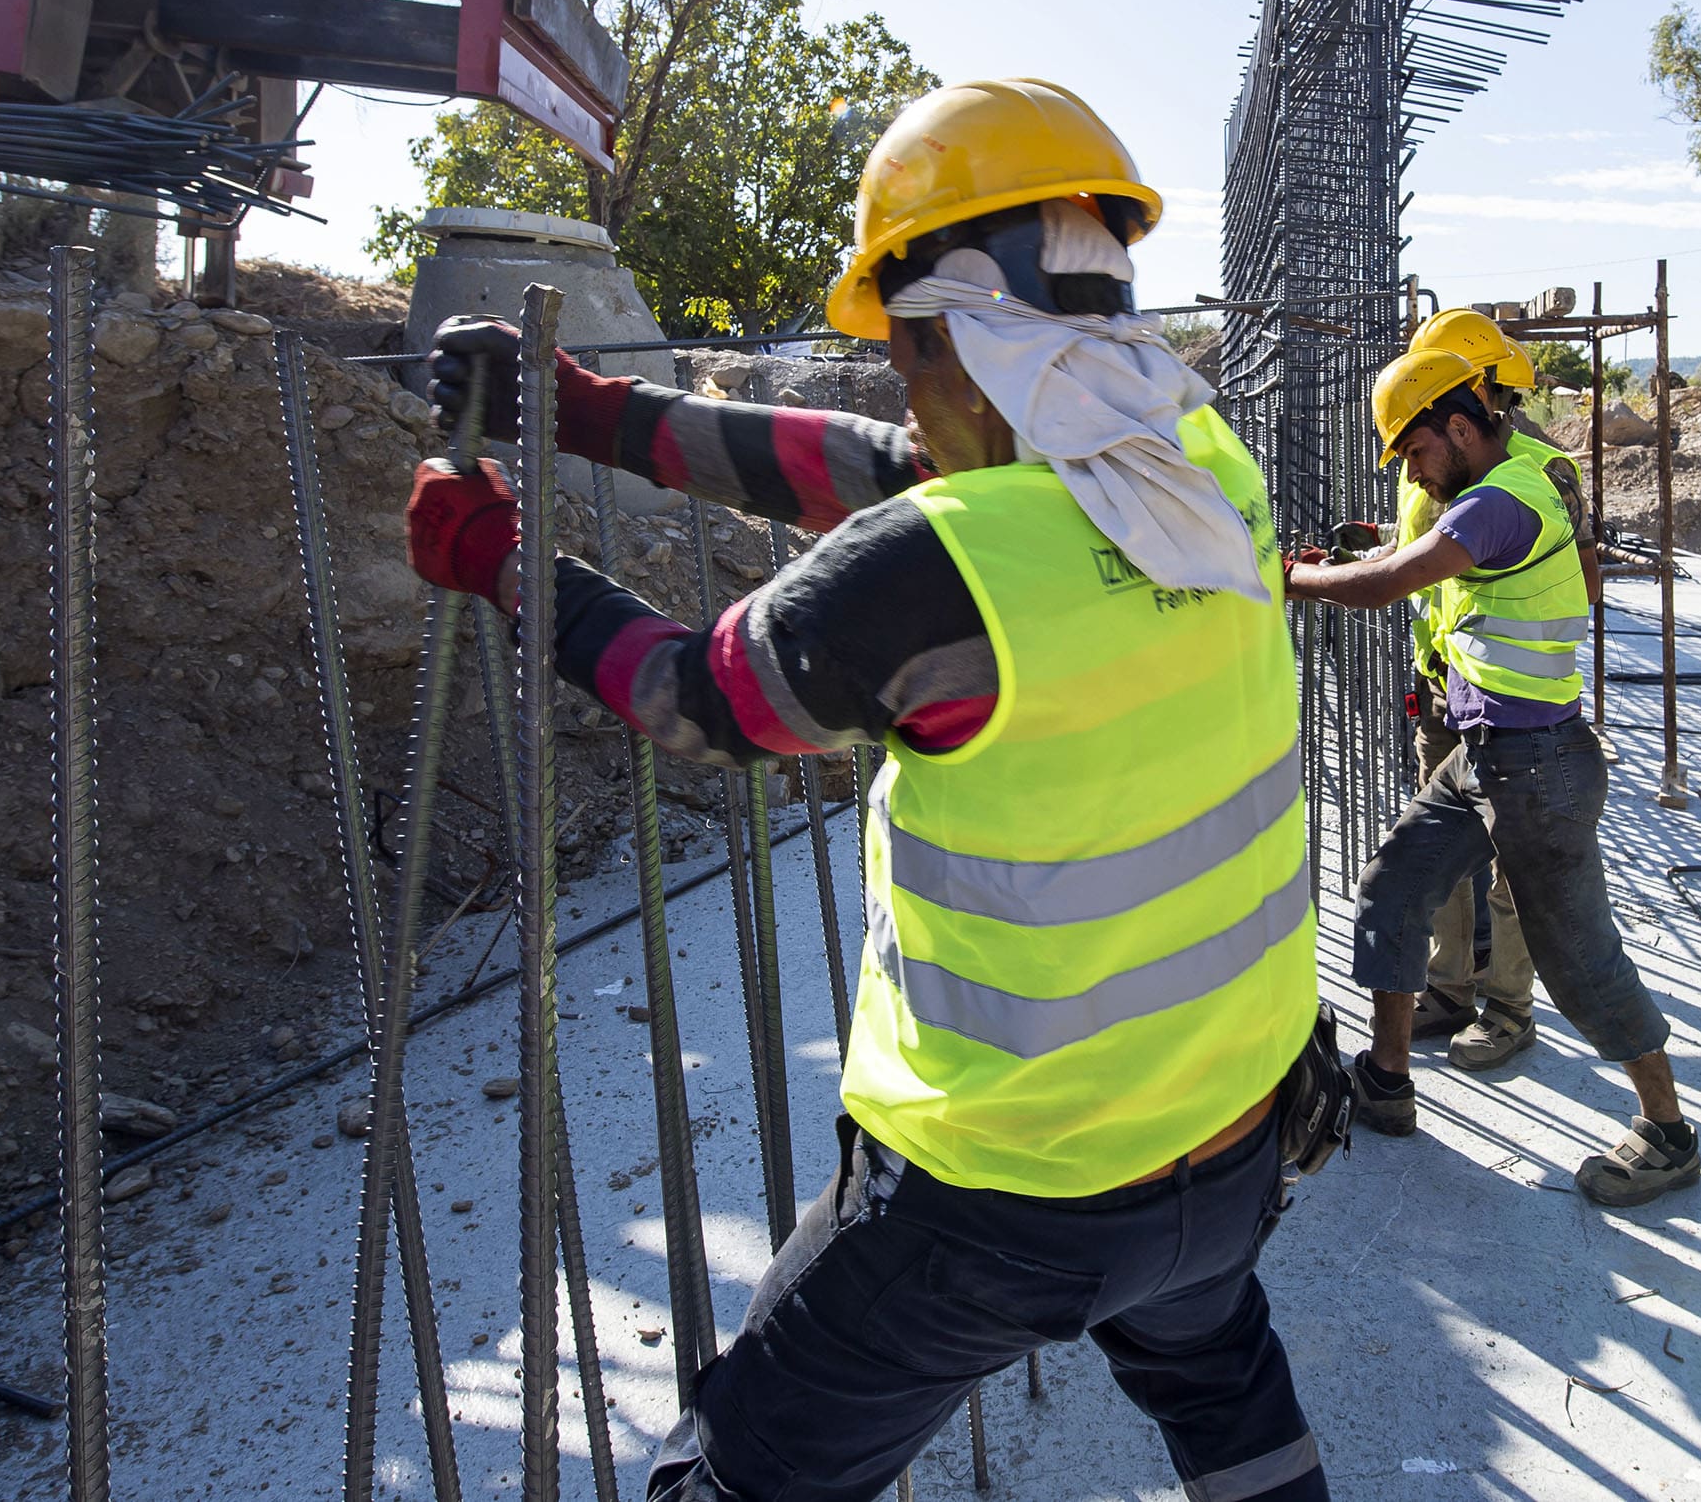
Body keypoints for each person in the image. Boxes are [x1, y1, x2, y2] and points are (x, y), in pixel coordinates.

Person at [404, 78, 1333, 1501]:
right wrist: (592, 412)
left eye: (905, 352)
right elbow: (886, 474)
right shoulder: (1205, 476)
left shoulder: (945, 568)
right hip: (1233, 1140)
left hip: (1001, 1197)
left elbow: (699, 695)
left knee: (743, 1472)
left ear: (960, 334)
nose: (903, 387)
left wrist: (503, 558)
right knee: (1224, 1395)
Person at [1284, 346, 1701, 1208]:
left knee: (1579, 957)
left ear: (1461, 427)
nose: (1409, 469)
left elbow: (1398, 580)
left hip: (1539, 767)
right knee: (1392, 886)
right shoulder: (1496, 482)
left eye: (1413, 451)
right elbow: (1421, 557)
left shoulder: (1506, 497)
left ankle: (1668, 1131)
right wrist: (1372, 547)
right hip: (1489, 755)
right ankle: (1386, 1081)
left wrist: (1298, 578)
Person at [1328, 309, 1598, 1075]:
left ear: (1475, 395)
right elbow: (1426, 543)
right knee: (1433, 859)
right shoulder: (1445, 459)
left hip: (1513, 702)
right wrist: (1378, 543)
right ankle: (1449, 984)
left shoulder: (1539, 470)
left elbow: (1573, 575)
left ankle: (1509, 1006)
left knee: (1517, 867)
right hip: (1444, 686)